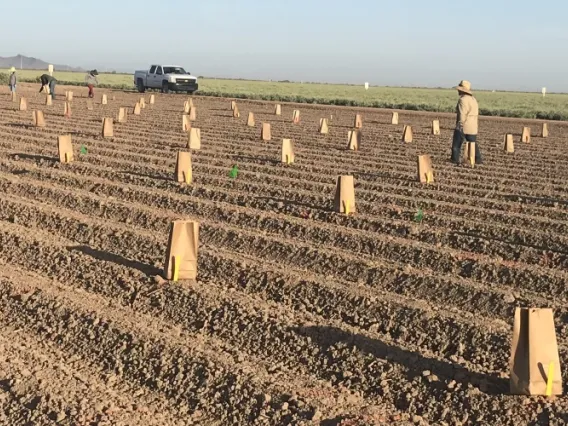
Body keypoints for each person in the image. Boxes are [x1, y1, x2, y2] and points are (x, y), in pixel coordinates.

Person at [451, 80, 482, 165]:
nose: (458, 90)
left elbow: (462, 113)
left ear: (462, 90)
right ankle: (478, 159)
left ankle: (454, 160)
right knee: (472, 143)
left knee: (456, 145)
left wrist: (460, 124)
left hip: (464, 126)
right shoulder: (473, 99)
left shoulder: (463, 100)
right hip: (473, 126)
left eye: (459, 89)